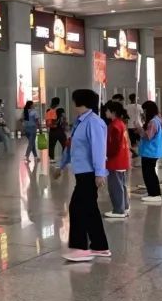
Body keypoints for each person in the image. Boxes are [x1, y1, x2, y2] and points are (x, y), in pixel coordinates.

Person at [55, 89, 110, 262]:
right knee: (90, 209)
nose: (73, 105)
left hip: (89, 173)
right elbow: (71, 145)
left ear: (81, 102)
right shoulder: (80, 122)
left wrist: (100, 173)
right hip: (81, 172)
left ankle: (80, 248)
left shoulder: (94, 122)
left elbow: (99, 149)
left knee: (77, 208)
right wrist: (62, 165)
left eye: (74, 101)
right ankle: (100, 246)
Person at [102, 101, 131, 219]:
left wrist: (106, 154)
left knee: (115, 186)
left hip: (115, 160)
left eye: (107, 110)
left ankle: (118, 210)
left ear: (112, 112)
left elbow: (114, 145)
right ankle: (125, 206)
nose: (105, 112)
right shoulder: (121, 123)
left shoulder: (114, 126)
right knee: (122, 184)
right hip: (122, 159)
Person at [138, 100, 162, 204]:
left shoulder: (153, 122)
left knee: (149, 173)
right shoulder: (158, 119)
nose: (143, 113)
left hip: (150, 152)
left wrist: (139, 129)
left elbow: (148, 136)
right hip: (153, 151)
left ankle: (155, 194)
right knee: (149, 172)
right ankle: (152, 192)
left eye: (144, 111)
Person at [126, 93, 143, 158]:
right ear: (135, 98)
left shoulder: (126, 107)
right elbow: (143, 115)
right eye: (137, 97)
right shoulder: (139, 106)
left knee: (132, 141)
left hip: (130, 126)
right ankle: (138, 152)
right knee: (139, 140)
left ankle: (134, 153)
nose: (138, 98)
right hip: (138, 125)